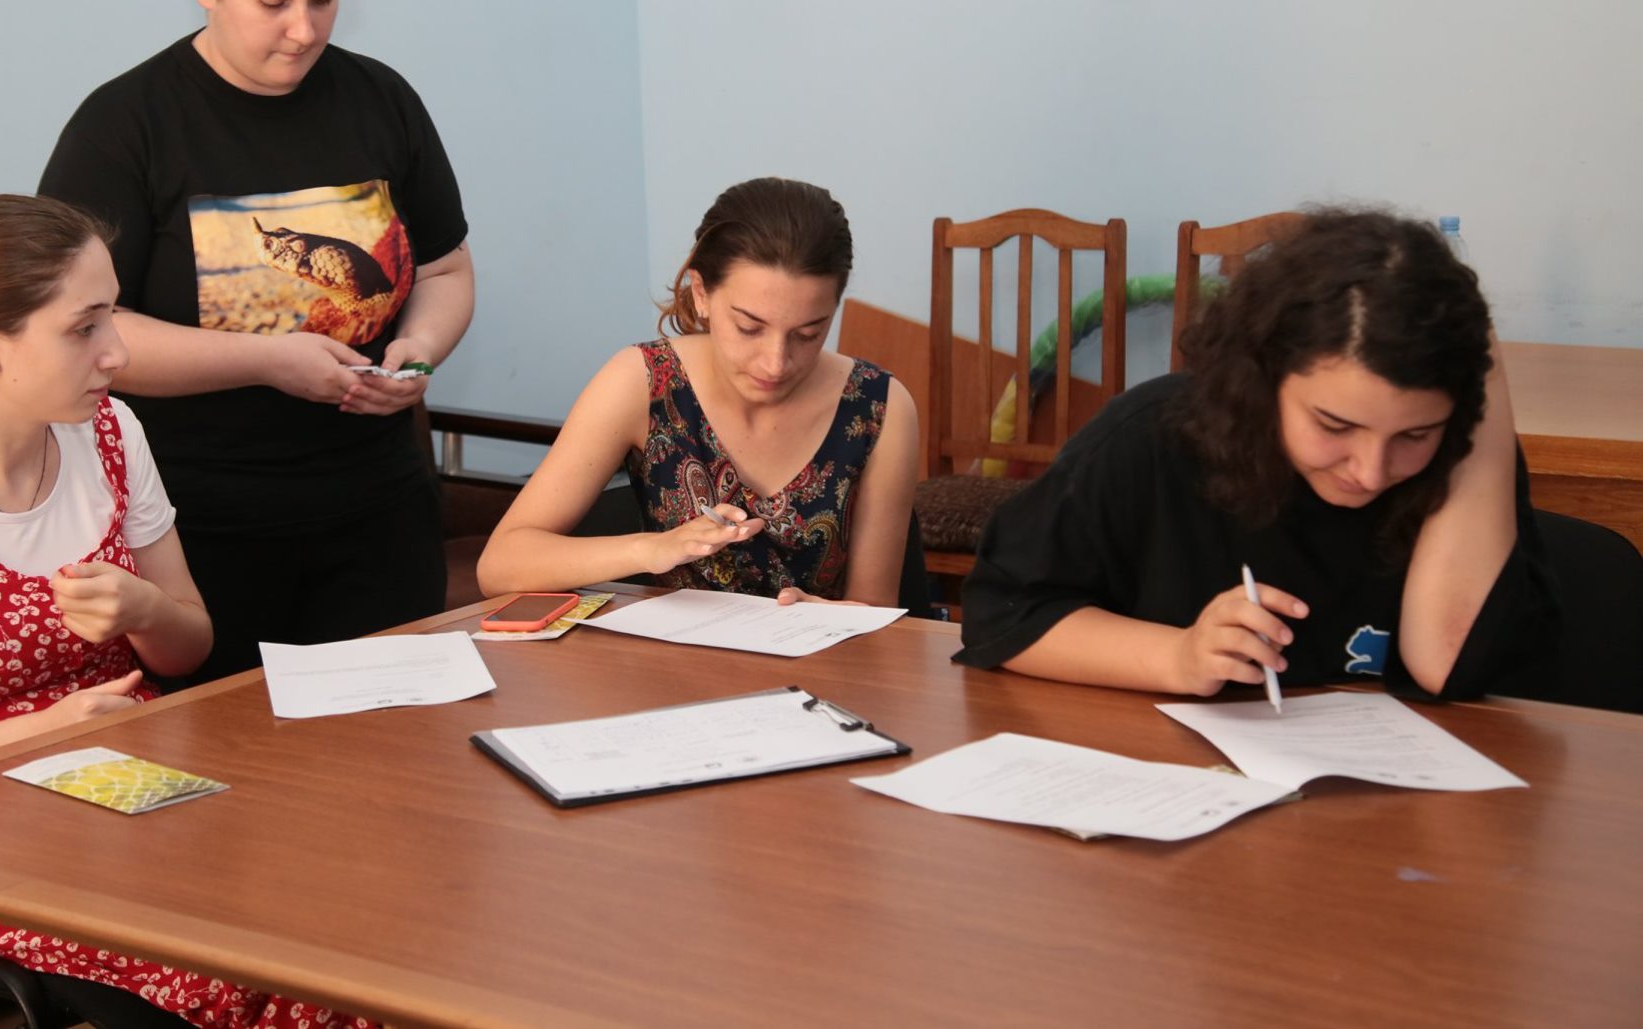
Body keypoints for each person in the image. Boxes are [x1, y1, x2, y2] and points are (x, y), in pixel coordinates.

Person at [0, 195, 365, 1029]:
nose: (117, 352)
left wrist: (144, 607)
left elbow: (187, 647)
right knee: (250, 976)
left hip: (139, 797)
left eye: (113, 317)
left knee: (346, 911)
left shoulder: (111, 433)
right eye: (84, 327)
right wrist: (44, 731)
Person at [39, 0, 473, 677]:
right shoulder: (125, 127)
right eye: (273, 1)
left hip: (378, 517)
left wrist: (416, 353)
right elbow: (85, 328)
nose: (304, 29)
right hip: (197, 531)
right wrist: (267, 360)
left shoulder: (382, 100)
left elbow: (446, 271)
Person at [956, 208, 1556, 700]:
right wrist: (1179, 656)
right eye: (1334, 425)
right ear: (1263, 378)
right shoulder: (1152, 439)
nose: (1371, 471)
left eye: (1413, 436)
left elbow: (1449, 661)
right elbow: (1005, 615)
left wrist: (1481, 367)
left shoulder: (1458, 453)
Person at [477, 177, 920, 605]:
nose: (775, 362)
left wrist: (830, 618)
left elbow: (875, 610)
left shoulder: (878, 407)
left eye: (808, 333)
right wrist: (652, 549)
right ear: (702, 293)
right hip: (673, 656)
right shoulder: (645, 381)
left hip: (826, 656)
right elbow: (501, 564)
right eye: (749, 327)